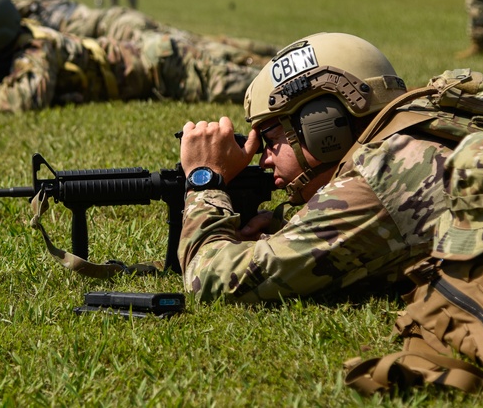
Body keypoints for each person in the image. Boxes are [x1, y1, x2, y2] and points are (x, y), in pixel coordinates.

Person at [177, 32, 447, 303]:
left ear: (324, 125)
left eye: (271, 138)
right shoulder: (428, 124)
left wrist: (205, 179)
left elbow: (211, 277)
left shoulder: (376, 180)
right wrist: (290, 229)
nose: (264, 160)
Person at [0, 0, 263, 113]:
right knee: (245, 62)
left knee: (264, 86)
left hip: (165, 65)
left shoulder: (39, 45)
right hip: (155, 58)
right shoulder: (7, 47)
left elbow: (24, 98)